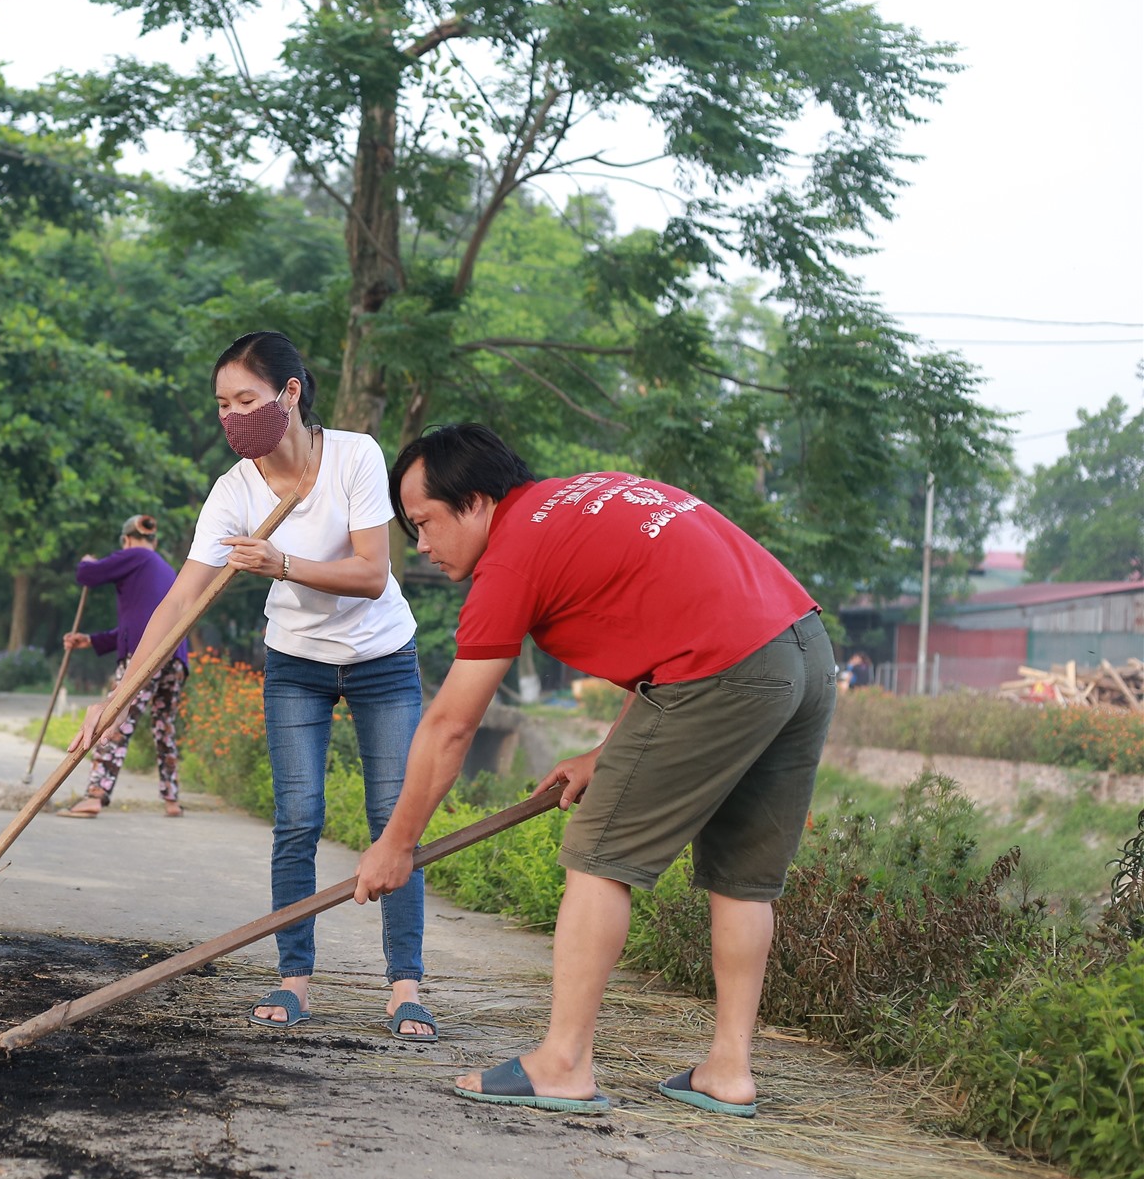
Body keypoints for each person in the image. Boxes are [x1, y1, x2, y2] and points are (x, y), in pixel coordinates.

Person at [353, 424, 832, 1115]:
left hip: (728, 668)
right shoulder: (584, 497)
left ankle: (564, 1062)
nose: (420, 545)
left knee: (597, 857)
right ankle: (729, 1070)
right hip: (804, 649)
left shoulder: (511, 559)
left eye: (424, 523)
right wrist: (604, 756)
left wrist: (396, 845)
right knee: (742, 879)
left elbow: (451, 724)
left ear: (478, 502)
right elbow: (675, 626)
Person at [74, 332, 436, 1040]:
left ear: (290, 393)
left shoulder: (356, 456)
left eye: (246, 400)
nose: (232, 416)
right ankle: (293, 979)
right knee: (297, 819)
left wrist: (281, 563)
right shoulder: (233, 491)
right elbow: (181, 602)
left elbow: (371, 575)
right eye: (222, 405)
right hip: (295, 662)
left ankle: (405, 985)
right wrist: (115, 699)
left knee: (395, 820)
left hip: (380, 655)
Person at [58, 514, 190, 819]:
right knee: (164, 727)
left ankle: (95, 795)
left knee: (115, 717)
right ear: (153, 540)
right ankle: (172, 800)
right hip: (176, 657)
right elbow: (145, 625)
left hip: (147, 658)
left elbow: (88, 575)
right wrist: (92, 641)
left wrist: (88, 562)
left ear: (126, 540)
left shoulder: (136, 555)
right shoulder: (163, 568)